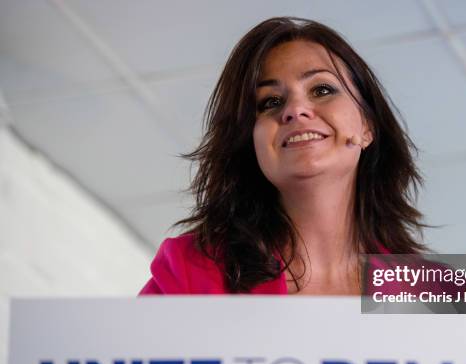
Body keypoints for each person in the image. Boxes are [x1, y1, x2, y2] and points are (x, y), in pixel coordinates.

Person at [139, 17, 430, 296]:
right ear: (249, 141)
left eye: (322, 89)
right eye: (271, 102)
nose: (295, 109)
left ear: (367, 125)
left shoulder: (438, 289)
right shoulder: (191, 269)